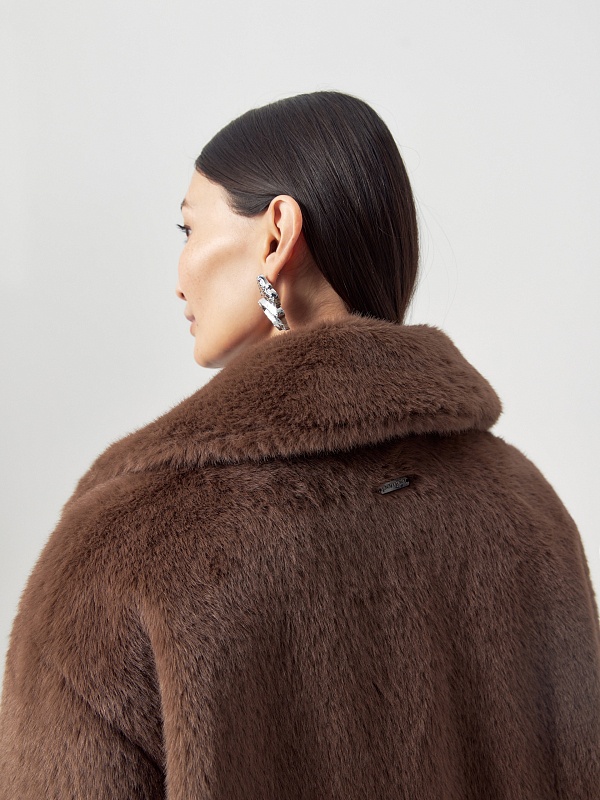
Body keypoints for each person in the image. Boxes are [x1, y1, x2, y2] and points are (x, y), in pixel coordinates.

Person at [0, 90, 598, 799]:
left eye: (188, 229)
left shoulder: (131, 542)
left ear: (277, 233)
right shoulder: (524, 509)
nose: (179, 278)